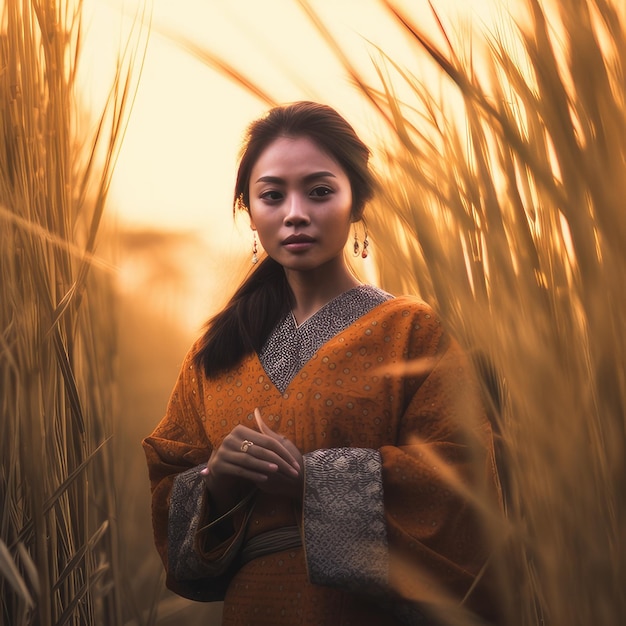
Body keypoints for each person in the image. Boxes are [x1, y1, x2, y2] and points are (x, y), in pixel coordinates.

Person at [142, 101, 503, 625]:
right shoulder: (214, 354)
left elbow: (461, 474)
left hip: (368, 611)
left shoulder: (412, 331)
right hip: (253, 604)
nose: (295, 212)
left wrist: (315, 480)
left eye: (319, 191)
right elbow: (168, 483)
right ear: (249, 209)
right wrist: (214, 480)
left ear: (357, 201)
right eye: (272, 195)